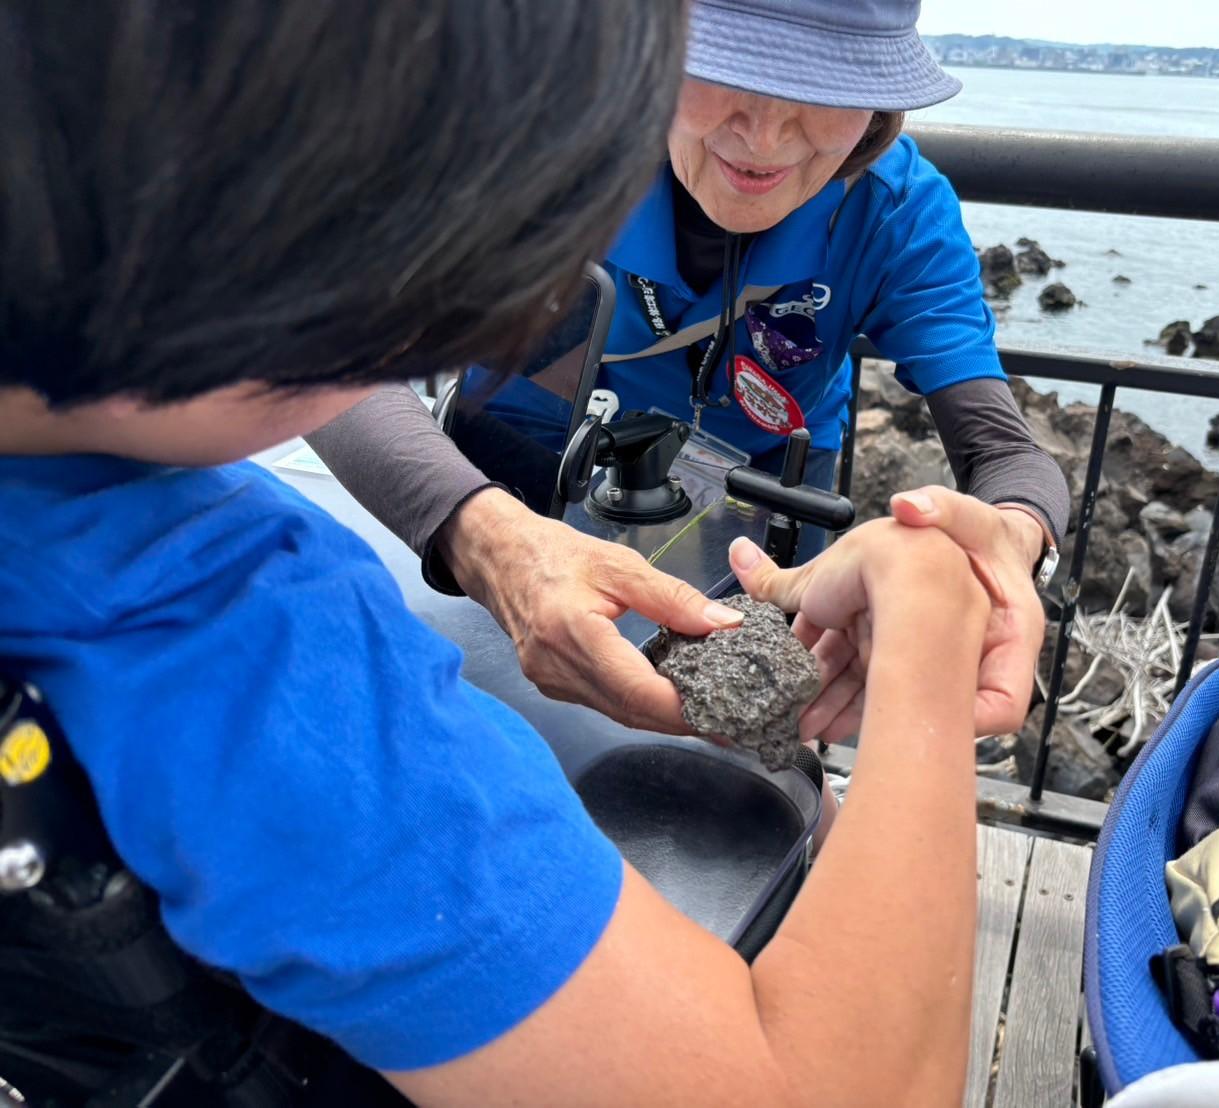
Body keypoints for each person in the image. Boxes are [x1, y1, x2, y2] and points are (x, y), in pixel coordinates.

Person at [2, 4, 1011, 1105]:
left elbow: (997, 441)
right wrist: (928, 628)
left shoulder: (899, 212)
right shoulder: (233, 647)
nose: (493, 313)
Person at [309, 0, 1070, 741]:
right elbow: (321, 345)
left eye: (829, 87)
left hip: (760, 514)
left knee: (741, 764)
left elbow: (1001, 452)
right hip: (514, 475)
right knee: (473, 727)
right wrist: (488, 542)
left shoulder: (894, 213)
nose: (764, 135)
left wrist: (1006, 546)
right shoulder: (535, 140)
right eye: (724, 68)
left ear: (878, 105)